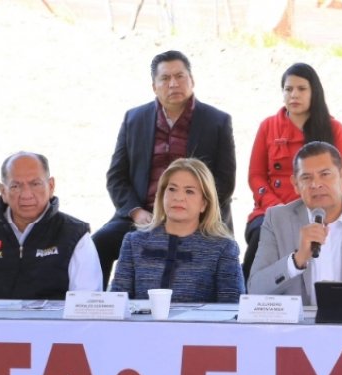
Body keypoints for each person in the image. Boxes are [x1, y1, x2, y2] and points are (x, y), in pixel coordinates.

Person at [93, 50, 236, 289]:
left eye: (180, 76)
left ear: (192, 80)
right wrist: (136, 212)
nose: (173, 84)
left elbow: (225, 181)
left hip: (198, 215)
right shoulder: (134, 119)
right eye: (165, 78)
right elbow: (116, 177)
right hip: (143, 215)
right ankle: (97, 306)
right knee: (99, 243)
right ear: (154, 86)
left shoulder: (217, 121)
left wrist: (191, 212)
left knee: (223, 254)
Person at [248, 141, 342, 307]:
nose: (316, 184)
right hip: (298, 324)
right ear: (295, 185)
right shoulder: (277, 220)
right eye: (306, 177)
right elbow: (255, 289)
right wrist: (297, 260)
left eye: (325, 174)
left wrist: (340, 306)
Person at [242, 62, 342, 282]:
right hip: (271, 209)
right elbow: (256, 176)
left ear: (314, 92)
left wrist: (318, 211)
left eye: (301, 89)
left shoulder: (334, 129)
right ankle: (248, 292)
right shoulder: (268, 126)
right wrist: (275, 207)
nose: (294, 95)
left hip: (318, 210)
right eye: (288, 89)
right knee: (260, 236)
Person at [0, 151, 102, 299]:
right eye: (15, 186)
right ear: (3, 191)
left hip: (53, 322)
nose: (26, 195)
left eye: (35, 184)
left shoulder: (75, 235)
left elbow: (85, 304)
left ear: (51, 186)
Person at [110, 158, 244, 302]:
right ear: (162, 196)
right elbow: (116, 304)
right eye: (172, 189)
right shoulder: (133, 242)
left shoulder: (223, 248)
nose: (178, 197)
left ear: (204, 204)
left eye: (189, 191)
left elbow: (232, 308)